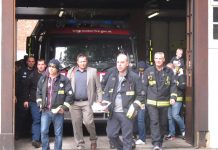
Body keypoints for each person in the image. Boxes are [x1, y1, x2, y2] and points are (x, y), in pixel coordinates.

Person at [103, 53, 144, 150]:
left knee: (127, 138)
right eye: (118, 62)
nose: (119, 64)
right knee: (111, 135)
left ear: (127, 64)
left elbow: (141, 95)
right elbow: (106, 93)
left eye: (122, 62)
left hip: (127, 112)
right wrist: (105, 104)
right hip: (113, 112)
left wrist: (134, 106)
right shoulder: (112, 76)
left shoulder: (134, 77)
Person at [67, 53, 102, 150]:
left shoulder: (93, 71)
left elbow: (98, 87)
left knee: (88, 122)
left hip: (87, 102)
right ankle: (80, 145)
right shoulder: (71, 72)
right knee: (76, 125)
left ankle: (93, 140)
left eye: (84, 61)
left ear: (87, 61)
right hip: (74, 103)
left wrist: (99, 99)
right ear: (77, 62)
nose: (83, 63)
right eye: (81, 61)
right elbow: (67, 87)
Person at [36, 59, 73, 150]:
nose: (51, 69)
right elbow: (38, 92)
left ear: (57, 69)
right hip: (46, 111)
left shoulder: (64, 80)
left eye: (53, 67)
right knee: (43, 131)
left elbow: (70, 95)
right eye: (49, 66)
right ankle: (45, 148)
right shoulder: (43, 78)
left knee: (58, 134)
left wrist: (63, 108)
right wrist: (40, 103)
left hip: (58, 112)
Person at [144, 52, 177, 150]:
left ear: (163, 60)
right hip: (151, 103)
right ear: (154, 60)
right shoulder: (148, 71)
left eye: (160, 58)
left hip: (164, 103)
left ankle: (160, 141)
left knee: (163, 123)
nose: (158, 60)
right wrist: (142, 101)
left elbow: (173, 85)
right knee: (154, 122)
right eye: (156, 58)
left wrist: (173, 97)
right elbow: (144, 87)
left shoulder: (169, 71)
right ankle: (156, 144)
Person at [23, 59, 47, 148]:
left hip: (46, 102)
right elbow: (27, 88)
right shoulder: (32, 75)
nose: (40, 66)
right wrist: (26, 100)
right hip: (34, 101)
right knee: (37, 120)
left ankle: (43, 139)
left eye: (42, 64)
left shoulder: (49, 75)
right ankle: (36, 139)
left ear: (45, 66)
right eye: (39, 64)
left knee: (45, 121)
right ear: (37, 66)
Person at [15, 56, 36, 139]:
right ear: (27, 62)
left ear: (34, 62)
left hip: (33, 98)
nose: (31, 63)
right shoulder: (21, 71)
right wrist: (14, 95)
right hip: (22, 98)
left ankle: (29, 134)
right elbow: (16, 84)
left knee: (31, 117)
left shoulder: (36, 72)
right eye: (29, 61)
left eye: (32, 61)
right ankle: (17, 134)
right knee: (20, 117)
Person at [165, 63, 186, 140]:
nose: (167, 70)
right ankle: (171, 134)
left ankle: (184, 131)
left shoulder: (180, 76)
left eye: (169, 69)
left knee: (175, 115)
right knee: (170, 117)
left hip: (178, 99)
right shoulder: (167, 76)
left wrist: (180, 76)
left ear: (173, 69)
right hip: (169, 99)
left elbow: (183, 86)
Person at [134, 61, 149, 145]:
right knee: (133, 119)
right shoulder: (134, 75)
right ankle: (134, 134)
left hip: (144, 101)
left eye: (143, 70)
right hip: (135, 100)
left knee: (141, 120)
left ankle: (142, 138)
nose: (141, 71)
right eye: (140, 70)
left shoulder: (147, 74)